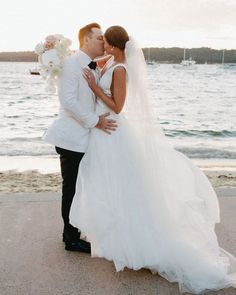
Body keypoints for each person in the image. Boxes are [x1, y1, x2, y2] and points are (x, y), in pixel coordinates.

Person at [69, 25, 236, 293]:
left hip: (112, 129)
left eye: (104, 41)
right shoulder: (111, 61)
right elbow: (89, 63)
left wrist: (94, 87)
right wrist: (81, 67)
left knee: (124, 187)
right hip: (102, 133)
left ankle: (138, 244)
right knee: (109, 186)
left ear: (112, 45)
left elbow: (118, 106)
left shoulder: (121, 69)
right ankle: (117, 240)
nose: (101, 44)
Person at [43, 23, 117, 253]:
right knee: (71, 188)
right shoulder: (72, 64)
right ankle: (70, 238)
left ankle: (75, 229)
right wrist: (96, 121)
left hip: (84, 138)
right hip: (70, 138)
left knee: (80, 187)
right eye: (99, 38)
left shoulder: (91, 65)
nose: (103, 42)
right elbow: (68, 101)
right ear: (85, 40)